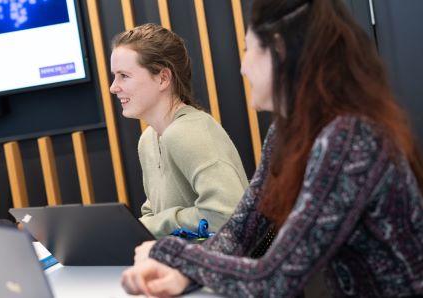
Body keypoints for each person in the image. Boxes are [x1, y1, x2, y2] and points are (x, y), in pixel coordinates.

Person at [121, 0, 423, 296]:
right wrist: (184, 275)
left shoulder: (349, 139)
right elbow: (239, 233)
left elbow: (275, 278)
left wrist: (172, 254)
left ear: (278, 51)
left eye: (247, 50)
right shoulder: (284, 134)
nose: (242, 68)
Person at [109, 24, 249, 239]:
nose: (113, 87)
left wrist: (155, 224)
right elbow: (153, 213)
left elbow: (227, 215)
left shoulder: (187, 132)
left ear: (163, 78)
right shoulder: (148, 140)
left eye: (124, 76)